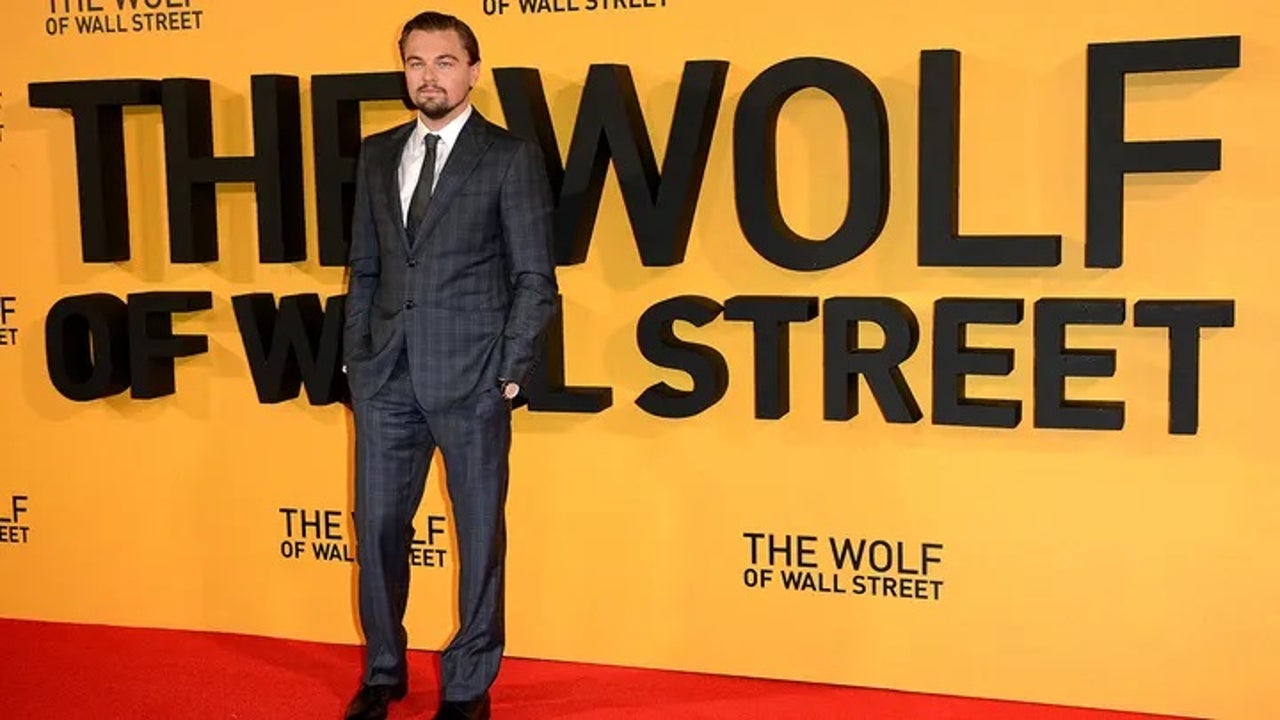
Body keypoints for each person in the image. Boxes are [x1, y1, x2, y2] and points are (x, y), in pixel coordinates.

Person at [340, 10, 558, 720]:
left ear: (472, 70)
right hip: (386, 379)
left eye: (443, 61)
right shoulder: (377, 155)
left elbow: (535, 277)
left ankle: (467, 686)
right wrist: (357, 360)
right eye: (415, 62)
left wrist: (510, 370)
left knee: (479, 536)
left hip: (473, 380)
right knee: (377, 529)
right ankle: (383, 671)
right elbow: (365, 268)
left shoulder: (508, 157)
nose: (427, 76)